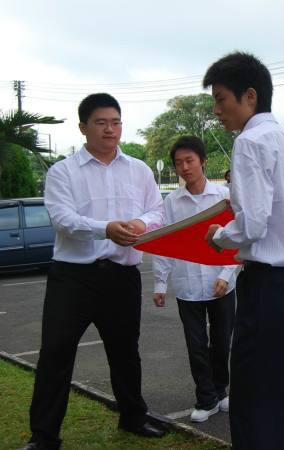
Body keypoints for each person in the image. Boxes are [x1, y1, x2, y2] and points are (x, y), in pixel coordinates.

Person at [22, 93, 165, 450]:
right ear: (83, 126)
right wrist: (107, 228)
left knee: (125, 352)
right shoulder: (63, 172)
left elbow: (157, 212)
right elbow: (63, 220)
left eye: (116, 122)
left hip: (122, 274)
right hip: (73, 277)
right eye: (101, 122)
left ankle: (133, 416)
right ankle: (44, 436)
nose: (110, 129)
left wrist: (138, 222)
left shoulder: (139, 169)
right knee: (55, 353)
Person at [202, 52, 284, 450]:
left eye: (221, 98)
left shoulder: (250, 143)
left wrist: (219, 234)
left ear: (250, 96)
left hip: (268, 288)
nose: (216, 110)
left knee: (258, 396)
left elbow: (252, 225)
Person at [152, 136, 237, 423]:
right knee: (196, 345)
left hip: (221, 284)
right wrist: (160, 283)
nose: (184, 167)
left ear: (203, 161)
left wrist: (226, 275)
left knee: (222, 342)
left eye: (189, 161)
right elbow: (166, 243)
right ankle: (206, 397)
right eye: (178, 163)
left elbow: (236, 242)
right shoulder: (172, 202)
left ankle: (221, 390)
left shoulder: (224, 198)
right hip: (188, 285)